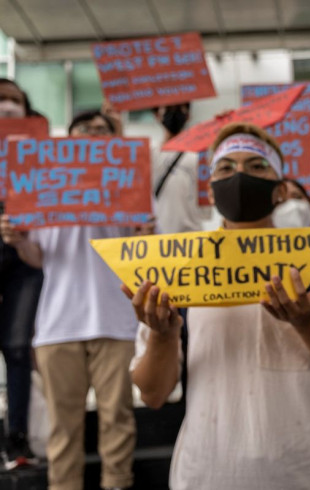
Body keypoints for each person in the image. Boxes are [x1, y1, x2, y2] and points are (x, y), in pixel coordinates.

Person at [127, 122, 310, 490]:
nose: (240, 175)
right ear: (212, 188)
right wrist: (164, 335)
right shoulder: (180, 269)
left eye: (256, 165)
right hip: (206, 475)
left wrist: (307, 324)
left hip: (306, 473)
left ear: (280, 192)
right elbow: (153, 393)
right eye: (226, 168)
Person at [0, 110, 148, 490]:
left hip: (114, 319)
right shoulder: (44, 188)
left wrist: (141, 230)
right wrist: (17, 240)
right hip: (58, 323)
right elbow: (37, 258)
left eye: (103, 130)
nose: (95, 135)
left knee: (118, 416)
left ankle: (118, 483)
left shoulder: (132, 187)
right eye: (86, 129)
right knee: (62, 423)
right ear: (70, 139)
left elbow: (142, 251)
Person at [0, 78, 44, 470]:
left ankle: (17, 439)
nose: (7, 107)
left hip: (24, 258)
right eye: (1, 100)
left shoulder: (41, 149)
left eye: (14, 100)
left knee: (17, 349)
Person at [151, 103, 211, 234]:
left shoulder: (201, 155)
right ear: (157, 115)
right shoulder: (150, 153)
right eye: (168, 109)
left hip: (193, 238)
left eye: (179, 109)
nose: (173, 112)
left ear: (188, 115)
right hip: (158, 238)